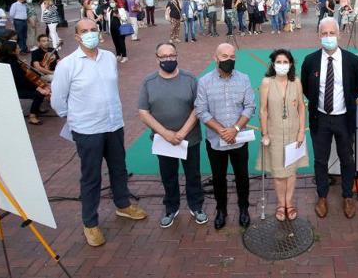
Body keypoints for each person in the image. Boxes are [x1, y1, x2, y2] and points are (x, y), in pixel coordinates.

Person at [51, 18, 147, 246]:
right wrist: (76, 120)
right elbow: (57, 101)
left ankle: (123, 205)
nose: (90, 33)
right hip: (87, 130)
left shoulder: (108, 58)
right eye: (84, 31)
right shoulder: (67, 64)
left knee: (119, 169)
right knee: (91, 177)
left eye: (93, 29)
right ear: (76, 37)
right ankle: (90, 223)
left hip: (113, 125)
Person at [138, 42, 207, 228]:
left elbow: (198, 107)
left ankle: (196, 206)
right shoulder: (148, 82)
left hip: (189, 139)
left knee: (193, 174)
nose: (168, 59)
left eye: (172, 55)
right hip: (163, 141)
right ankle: (171, 207)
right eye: (164, 56)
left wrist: (183, 132)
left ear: (176, 56)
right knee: (168, 176)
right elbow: (144, 112)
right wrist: (166, 134)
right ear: (157, 58)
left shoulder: (190, 79)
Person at [301, 17, 358, 219]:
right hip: (320, 119)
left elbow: (357, 87)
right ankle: (322, 196)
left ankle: (347, 195)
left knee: (347, 158)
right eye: (324, 33)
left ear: (339, 34)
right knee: (320, 160)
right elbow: (307, 88)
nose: (328, 37)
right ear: (319, 35)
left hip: (344, 119)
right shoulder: (310, 61)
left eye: (332, 33)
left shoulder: (352, 61)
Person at [194, 43, 256, 230]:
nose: (228, 60)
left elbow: (250, 107)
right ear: (216, 58)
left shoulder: (244, 79)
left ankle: (243, 208)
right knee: (218, 178)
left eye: (232, 56)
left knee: (242, 177)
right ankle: (222, 210)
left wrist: (235, 129)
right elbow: (201, 110)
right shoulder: (204, 82)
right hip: (215, 141)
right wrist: (221, 130)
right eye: (224, 56)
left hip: (238, 140)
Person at [257, 49, 307, 221]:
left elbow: (301, 106)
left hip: (294, 133)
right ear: (273, 64)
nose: (282, 65)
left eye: (285, 62)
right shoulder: (266, 83)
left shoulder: (296, 82)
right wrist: (265, 133)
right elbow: (263, 110)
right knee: (278, 173)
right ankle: (280, 204)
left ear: (291, 64)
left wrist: (301, 131)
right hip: (274, 133)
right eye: (279, 62)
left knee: (292, 172)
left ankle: (289, 203)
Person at [0, 40, 50, 125]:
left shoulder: (8, 59)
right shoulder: (12, 63)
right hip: (14, 88)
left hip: (13, 85)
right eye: (17, 48)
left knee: (41, 89)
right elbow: (22, 80)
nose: (19, 49)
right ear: (12, 51)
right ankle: (32, 116)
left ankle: (37, 108)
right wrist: (38, 87)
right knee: (39, 94)